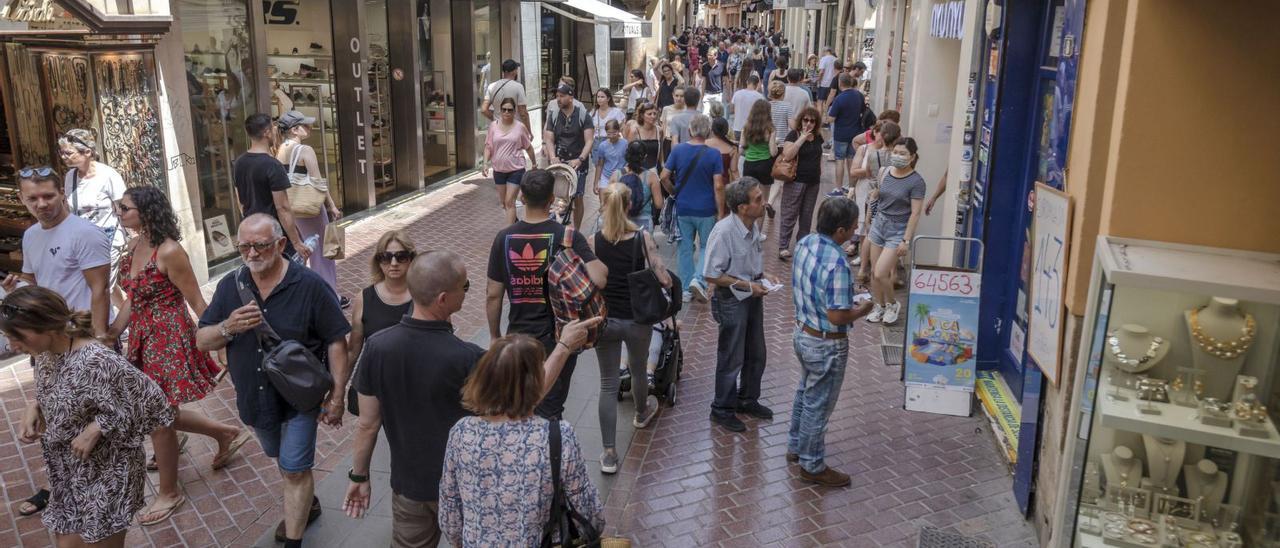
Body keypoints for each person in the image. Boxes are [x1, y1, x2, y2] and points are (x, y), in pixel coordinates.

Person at [196, 214, 351, 547]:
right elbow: (202, 339)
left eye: (260, 245)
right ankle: (306, 503)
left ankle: (294, 538)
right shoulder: (230, 287)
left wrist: (337, 396)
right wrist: (228, 328)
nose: (252, 253)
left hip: (300, 400)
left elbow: (337, 340)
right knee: (281, 458)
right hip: (254, 400)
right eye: (245, 247)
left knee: (294, 468)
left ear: (281, 244)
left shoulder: (309, 286)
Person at [106, 186, 251, 525]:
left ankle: (169, 492)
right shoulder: (133, 244)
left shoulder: (170, 251)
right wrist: (113, 332)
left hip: (169, 339)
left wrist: (221, 340)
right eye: (119, 207)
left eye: (124, 208)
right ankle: (224, 433)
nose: (119, 213)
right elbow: (133, 298)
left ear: (145, 211)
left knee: (157, 416)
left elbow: (198, 301)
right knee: (158, 411)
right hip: (144, 336)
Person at [5, 286, 175, 548]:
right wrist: (34, 407)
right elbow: (62, 388)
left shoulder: (98, 360)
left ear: (48, 327)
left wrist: (99, 426)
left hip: (108, 473)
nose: (12, 345)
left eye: (17, 337)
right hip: (69, 473)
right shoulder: (45, 355)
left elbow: (156, 404)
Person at [342, 250, 481, 547]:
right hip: (464, 487)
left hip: (409, 487)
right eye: (464, 287)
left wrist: (359, 477)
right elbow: (523, 397)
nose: (467, 293)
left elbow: (367, 425)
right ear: (443, 299)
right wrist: (561, 347)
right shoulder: (467, 357)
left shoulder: (377, 348)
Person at [3, 166, 112, 519]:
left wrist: (99, 341)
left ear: (62, 193)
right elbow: (33, 286)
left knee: (104, 414)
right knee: (56, 414)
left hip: (81, 341)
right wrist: (15, 291)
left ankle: (93, 490)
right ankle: (59, 485)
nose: (41, 204)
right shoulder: (31, 235)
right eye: (32, 198)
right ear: (21, 199)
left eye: (48, 195)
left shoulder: (85, 233)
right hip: (45, 342)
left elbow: (100, 290)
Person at [438, 326, 604, 547]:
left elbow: (450, 512)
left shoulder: (461, 432)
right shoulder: (556, 435)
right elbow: (588, 509)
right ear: (535, 382)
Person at [486, 169, 608, 420]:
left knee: (518, 403)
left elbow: (493, 295)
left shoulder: (504, 238)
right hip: (560, 335)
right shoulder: (567, 236)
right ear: (552, 199)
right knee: (551, 407)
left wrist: (495, 335)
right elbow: (600, 278)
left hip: (517, 337)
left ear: (521, 196)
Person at [787, 197, 875, 486]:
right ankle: (812, 465)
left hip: (803, 332)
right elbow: (838, 316)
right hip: (826, 344)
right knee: (818, 404)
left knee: (806, 390)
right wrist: (863, 308)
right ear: (840, 230)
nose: (855, 230)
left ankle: (796, 445)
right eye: (853, 226)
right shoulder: (838, 263)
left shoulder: (805, 243)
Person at [591, 183, 668, 474]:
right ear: (628, 205)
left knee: (608, 383)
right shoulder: (642, 238)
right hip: (637, 320)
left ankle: (609, 452)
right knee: (637, 369)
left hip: (606, 321)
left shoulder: (594, 241)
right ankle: (640, 412)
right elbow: (662, 277)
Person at [702, 178, 777, 433]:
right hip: (732, 300)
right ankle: (721, 409)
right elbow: (712, 274)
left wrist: (763, 276)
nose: (763, 202)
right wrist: (748, 286)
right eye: (757, 199)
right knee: (731, 355)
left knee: (756, 353)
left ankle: (747, 400)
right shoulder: (724, 232)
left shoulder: (752, 225)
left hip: (752, 296)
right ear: (742, 207)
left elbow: (748, 261)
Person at [276, 110, 346, 305]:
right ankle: (329, 296)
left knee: (303, 251)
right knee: (326, 253)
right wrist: (332, 206)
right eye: (305, 125)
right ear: (294, 129)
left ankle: (301, 293)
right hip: (311, 208)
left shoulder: (278, 150)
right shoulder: (305, 150)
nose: (309, 128)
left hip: (293, 208)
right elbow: (318, 183)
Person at [57, 129, 126, 303]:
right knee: (104, 286)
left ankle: (103, 326)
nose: (64, 157)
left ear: (87, 152)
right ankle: (128, 314)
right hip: (83, 241)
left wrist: (134, 238)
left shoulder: (108, 175)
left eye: (68, 153)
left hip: (108, 238)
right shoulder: (70, 176)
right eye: (62, 152)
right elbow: (69, 209)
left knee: (100, 287)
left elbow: (124, 208)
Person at [660, 114, 723, 303]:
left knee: (684, 247)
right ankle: (699, 280)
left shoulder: (678, 150)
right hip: (706, 208)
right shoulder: (714, 154)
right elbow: (718, 185)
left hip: (683, 207)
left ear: (689, 131)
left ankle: (686, 289)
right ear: (708, 132)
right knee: (707, 246)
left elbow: (664, 176)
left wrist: (674, 192)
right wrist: (721, 212)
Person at [234, 114, 311, 262]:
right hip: (273, 235)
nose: (276, 132)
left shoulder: (239, 163)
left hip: (252, 233)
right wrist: (296, 242)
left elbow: (240, 202)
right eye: (273, 128)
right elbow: (282, 207)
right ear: (267, 132)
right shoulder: (273, 165)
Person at [866, 138, 926, 325]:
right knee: (873, 273)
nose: (898, 156)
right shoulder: (885, 172)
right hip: (879, 224)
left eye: (903, 153)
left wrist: (906, 240)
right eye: (896, 152)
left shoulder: (916, 182)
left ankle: (892, 304)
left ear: (912, 157)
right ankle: (880, 306)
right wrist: (870, 214)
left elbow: (915, 213)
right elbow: (877, 194)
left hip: (898, 230)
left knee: (880, 272)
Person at [345, 231, 416, 387]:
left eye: (401, 256)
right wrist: (337, 392)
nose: (394, 263)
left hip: (413, 387)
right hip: (374, 385)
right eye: (385, 257)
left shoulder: (424, 297)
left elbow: (442, 343)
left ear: (411, 259)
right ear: (378, 261)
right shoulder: (364, 298)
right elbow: (352, 351)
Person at [849, 120, 902, 279]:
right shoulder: (897, 156)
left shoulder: (873, 155)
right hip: (892, 198)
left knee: (869, 233)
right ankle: (892, 274)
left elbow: (868, 173)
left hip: (872, 196)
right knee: (892, 236)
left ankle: (863, 269)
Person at [543, 84, 595, 229]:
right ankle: (557, 228)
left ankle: (576, 230)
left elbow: (589, 140)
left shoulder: (583, 115)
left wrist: (580, 159)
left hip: (578, 161)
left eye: (562, 96)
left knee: (577, 197)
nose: (558, 99)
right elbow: (549, 139)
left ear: (571, 97)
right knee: (557, 196)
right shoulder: (553, 114)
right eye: (557, 96)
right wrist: (553, 157)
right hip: (559, 162)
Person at [777, 107, 826, 260]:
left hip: (813, 182)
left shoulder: (818, 137)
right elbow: (787, 155)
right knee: (789, 213)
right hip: (795, 180)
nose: (809, 123)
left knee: (806, 216)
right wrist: (802, 138)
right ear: (801, 120)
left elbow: (819, 155)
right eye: (806, 120)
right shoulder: (793, 135)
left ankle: (802, 244)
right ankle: (783, 246)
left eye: (812, 121)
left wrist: (820, 169)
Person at [482, 97, 537, 225]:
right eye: (504, 110)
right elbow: (488, 146)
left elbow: (528, 147)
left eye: (510, 110)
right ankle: (517, 224)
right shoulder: (493, 126)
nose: (506, 112)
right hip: (499, 169)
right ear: (500, 111)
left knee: (509, 202)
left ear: (514, 112)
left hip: (516, 169)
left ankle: (509, 233)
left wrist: (534, 163)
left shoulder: (520, 127)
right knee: (503, 203)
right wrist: (485, 163)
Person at [823, 73, 867, 199]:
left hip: (841, 134)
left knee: (839, 160)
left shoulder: (839, 98)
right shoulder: (859, 95)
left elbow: (831, 119)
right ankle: (851, 187)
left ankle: (838, 188)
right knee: (852, 160)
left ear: (840, 84)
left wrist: (826, 114)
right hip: (856, 134)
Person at [611, 141, 664, 231]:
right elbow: (659, 204)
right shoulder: (651, 177)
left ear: (627, 155)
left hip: (622, 221)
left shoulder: (616, 175)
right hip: (644, 223)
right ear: (645, 157)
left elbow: (609, 201)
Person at [740, 101, 777, 220]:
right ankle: (758, 233)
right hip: (765, 165)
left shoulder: (746, 127)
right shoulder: (770, 128)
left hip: (749, 164)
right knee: (763, 201)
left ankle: (748, 228)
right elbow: (773, 152)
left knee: (748, 198)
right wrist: (775, 144)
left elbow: (742, 148)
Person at [481, 59, 532, 132]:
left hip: (497, 129)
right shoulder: (518, 87)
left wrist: (495, 119)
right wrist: (529, 131)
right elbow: (523, 113)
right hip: (514, 130)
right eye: (516, 69)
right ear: (514, 71)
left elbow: (483, 109)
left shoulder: (491, 86)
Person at [707, 117, 740, 211]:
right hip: (723, 184)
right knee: (722, 215)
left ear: (712, 129)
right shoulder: (732, 148)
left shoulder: (704, 144)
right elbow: (734, 171)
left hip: (705, 182)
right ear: (726, 130)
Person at [591, 119, 628, 197]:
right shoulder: (602, 146)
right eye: (609, 134)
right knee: (603, 204)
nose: (611, 136)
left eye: (614, 133)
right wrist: (596, 183)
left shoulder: (625, 144)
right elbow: (600, 165)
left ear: (618, 131)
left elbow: (628, 161)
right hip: (606, 176)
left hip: (620, 177)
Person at [624, 102, 662, 173]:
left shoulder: (659, 130)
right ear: (642, 115)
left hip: (655, 169)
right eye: (649, 114)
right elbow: (629, 153)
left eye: (654, 113)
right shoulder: (634, 131)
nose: (653, 116)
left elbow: (661, 154)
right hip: (638, 171)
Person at [730, 74, 765, 140]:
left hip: (737, 128)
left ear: (747, 82)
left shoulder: (737, 94)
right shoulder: (760, 97)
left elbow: (731, 110)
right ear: (757, 84)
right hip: (752, 129)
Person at [816, 47, 837, 115]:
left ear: (825, 51)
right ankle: (826, 118)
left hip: (824, 83)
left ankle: (820, 119)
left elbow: (821, 71)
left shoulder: (824, 59)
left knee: (820, 102)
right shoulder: (835, 59)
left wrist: (818, 81)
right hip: (833, 83)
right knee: (828, 102)